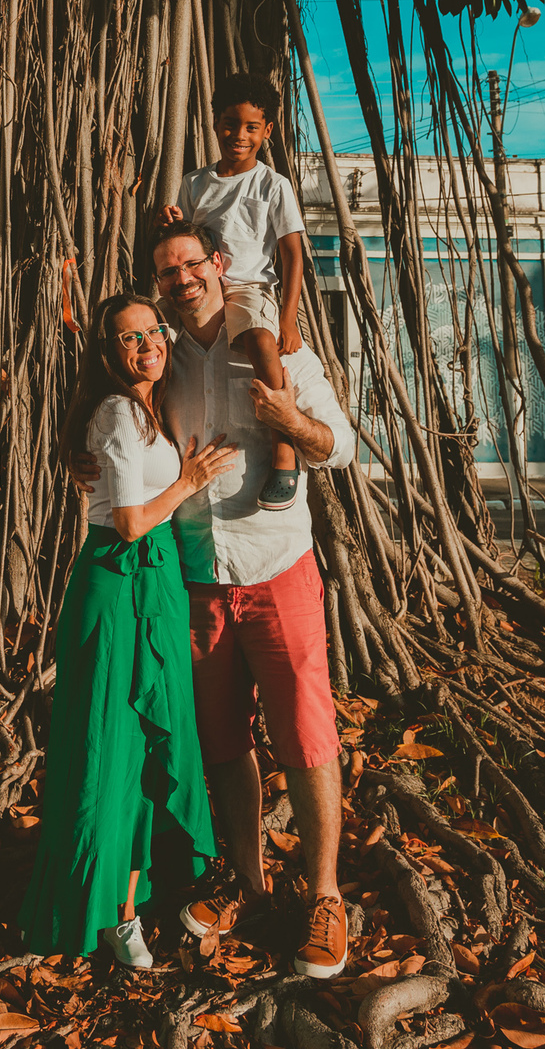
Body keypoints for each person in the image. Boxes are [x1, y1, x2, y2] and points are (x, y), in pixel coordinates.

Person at [75, 224, 356, 980]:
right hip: (194, 582)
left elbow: (346, 443)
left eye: (192, 264)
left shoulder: (274, 344)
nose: (181, 279)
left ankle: (326, 897)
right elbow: (112, 402)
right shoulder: (159, 362)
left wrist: (291, 423)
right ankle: (251, 884)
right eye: (167, 271)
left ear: (218, 265)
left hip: (277, 570)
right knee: (223, 743)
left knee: (306, 736)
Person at [19, 292, 236, 970]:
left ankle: (129, 904)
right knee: (109, 756)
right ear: (107, 352)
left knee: (145, 753)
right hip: (118, 585)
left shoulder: (151, 407)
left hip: (159, 585)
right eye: (127, 338)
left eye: (152, 332)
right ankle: (107, 911)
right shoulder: (117, 410)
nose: (145, 345)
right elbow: (130, 521)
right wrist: (190, 480)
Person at [159, 72, 305, 511]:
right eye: (229, 124)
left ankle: (285, 447)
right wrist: (169, 223)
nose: (238, 135)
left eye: (251, 127)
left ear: (268, 131)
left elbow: (292, 255)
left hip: (247, 288)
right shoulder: (195, 183)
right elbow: (183, 238)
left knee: (261, 341)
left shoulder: (273, 185)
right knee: (148, 331)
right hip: (196, 287)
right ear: (215, 122)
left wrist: (288, 318)